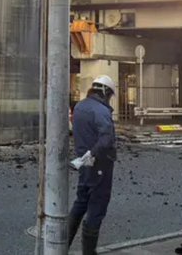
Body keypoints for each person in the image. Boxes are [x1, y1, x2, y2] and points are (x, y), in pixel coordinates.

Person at [68, 75, 117, 254]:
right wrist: (92, 153)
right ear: (106, 92)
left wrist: (84, 157)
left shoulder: (80, 106)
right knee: (97, 206)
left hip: (84, 164)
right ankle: (89, 252)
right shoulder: (101, 111)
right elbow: (106, 140)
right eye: (110, 95)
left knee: (81, 201)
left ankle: (60, 247)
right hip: (100, 164)